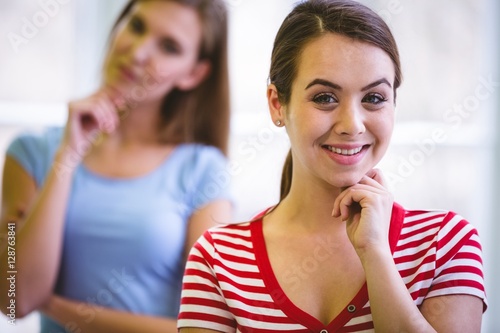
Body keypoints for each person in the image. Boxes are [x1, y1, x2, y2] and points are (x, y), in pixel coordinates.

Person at [177, 0, 488, 332]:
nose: (352, 125)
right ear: (276, 104)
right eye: (325, 97)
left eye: (374, 98)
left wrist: (375, 254)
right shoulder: (218, 258)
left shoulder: (446, 243)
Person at [0, 0, 231, 332]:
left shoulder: (204, 171)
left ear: (194, 74)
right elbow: (14, 298)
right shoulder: (31, 153)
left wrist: (54, 305)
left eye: (169, 47)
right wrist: (67, 155)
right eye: (136, 26)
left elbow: (211, 327)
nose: (138, 53)